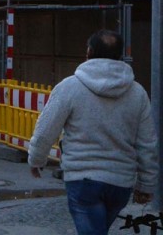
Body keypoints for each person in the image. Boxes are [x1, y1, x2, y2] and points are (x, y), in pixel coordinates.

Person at [27, 29, 158, 234]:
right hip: (120, 183)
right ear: (120, 55)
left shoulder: (69, 87)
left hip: (83, 180)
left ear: (88, 52)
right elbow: (147, 143)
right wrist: (146, 184)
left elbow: (45, 130)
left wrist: (36, 160)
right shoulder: (137, 93)